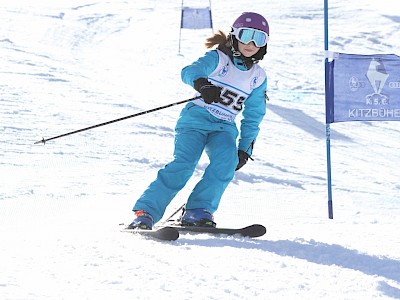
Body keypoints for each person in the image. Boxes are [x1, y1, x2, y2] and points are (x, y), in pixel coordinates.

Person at [128, 12, 269, 230]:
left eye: (258, 38)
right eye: (246, 35)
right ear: (234, 36)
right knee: (184, 165)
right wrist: (202, 84)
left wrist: (245, 148)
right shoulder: (218, 59)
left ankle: (197, 210)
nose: (251, 43)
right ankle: (145, 212)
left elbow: (254, 115)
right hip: (195, 120)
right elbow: (189, 71)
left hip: (224, 127)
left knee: (226, 163)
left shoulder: (258, 77)